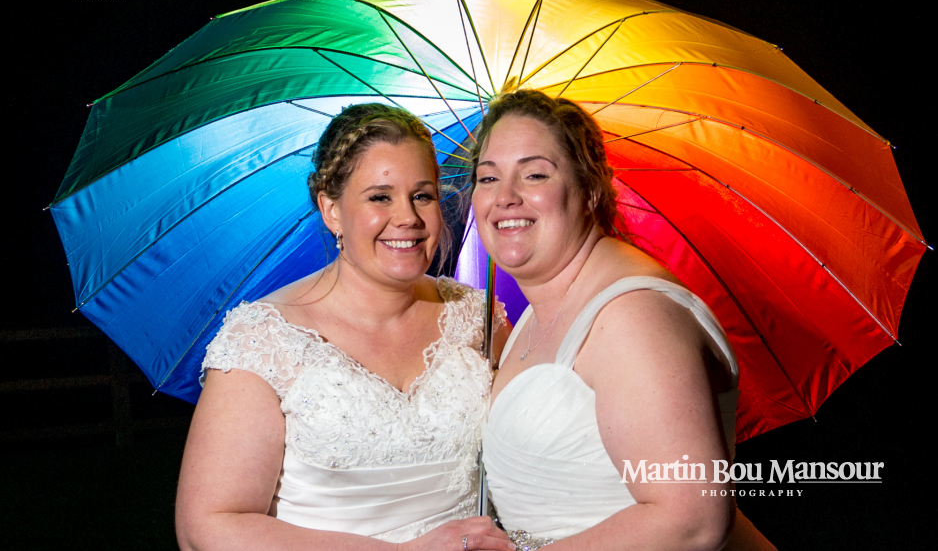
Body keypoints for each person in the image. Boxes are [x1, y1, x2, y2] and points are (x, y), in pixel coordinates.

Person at [175, 104, 514, 551]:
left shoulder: (476, 316)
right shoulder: (265, 337)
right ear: (332, 210)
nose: (408, 217)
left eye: (423, 195)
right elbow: (209, 525)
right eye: (380, 197)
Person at [471, 90, 776, 550]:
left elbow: (690, 520)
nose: (505, 197)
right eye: (488, 177)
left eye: (534, 174)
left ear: (590, 189)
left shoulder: (634, 315)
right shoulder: (534, 316)